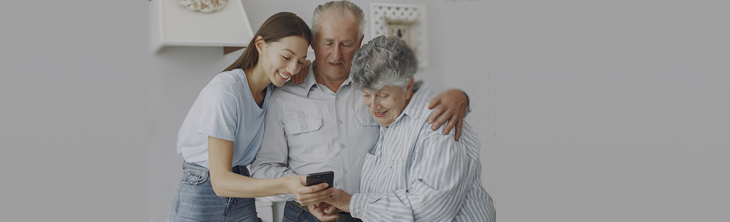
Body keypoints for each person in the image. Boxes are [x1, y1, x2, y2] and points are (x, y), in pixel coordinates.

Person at [250, 1, 472, 222]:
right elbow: (263, 168)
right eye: (327, 43)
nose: (336, 55)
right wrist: (307, 192)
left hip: (370, 214)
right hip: (305, 215)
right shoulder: (283, 96)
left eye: (346, 43)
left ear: (359, 43)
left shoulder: (377, 86)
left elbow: (418, 102)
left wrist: (461, 97)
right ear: (314, 42)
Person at [170, 12, 335, 222]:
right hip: (202, 187)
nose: (293, 68)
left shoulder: (274, 91)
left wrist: (306, 67)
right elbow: (220, 183)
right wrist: (290, 184)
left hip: (241, 185)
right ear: (260, 45)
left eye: (300, 61)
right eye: (286, 57)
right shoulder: (225, 92)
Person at [311, 35, 496, 222]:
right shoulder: (388, 120)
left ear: (408, 87)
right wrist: (342, 205)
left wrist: (352, 203)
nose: (373, 106)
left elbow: (431, 209)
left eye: (383, 95)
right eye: (366, 94)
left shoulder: (438, 122)